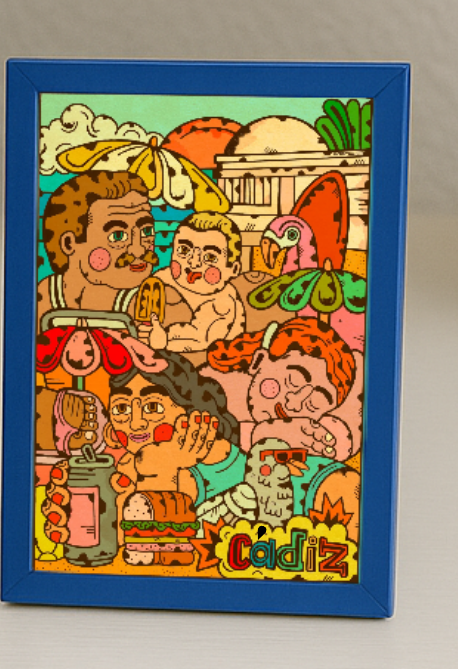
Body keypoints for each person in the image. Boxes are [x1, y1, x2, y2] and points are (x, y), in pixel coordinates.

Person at [207, 316, 361, 460]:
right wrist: (263, 435)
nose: (294, 405)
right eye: (293, 382)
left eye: (314, 403)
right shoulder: (215, 386)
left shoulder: (310, 435)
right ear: (259, 360)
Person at [104, 354, 245, 506]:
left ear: (189, 410)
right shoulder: (130, 463)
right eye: (121, 408)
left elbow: (159, 516)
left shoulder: (191, 474)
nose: (136, 424)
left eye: (152, 407)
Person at [37, 170, 157, 323]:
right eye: (117, 236)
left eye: (146, 231)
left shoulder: (149, 301)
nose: (138, 250)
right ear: (69, 244)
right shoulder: (43, 298)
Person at [141, 212, 245, 357]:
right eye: (184, 250)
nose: (193, 263)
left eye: (210, 257)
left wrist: (164, 340)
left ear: (233, 269)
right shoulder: (163, 277)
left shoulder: (223, 304)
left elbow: (200, 339)